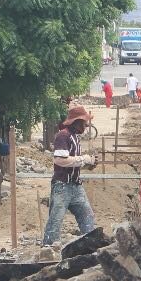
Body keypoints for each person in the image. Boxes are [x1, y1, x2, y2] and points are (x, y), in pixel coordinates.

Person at [42, 105, 98, 246]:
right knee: (56, 220)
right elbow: (60, 160)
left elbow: (72, 163)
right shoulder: (63, 135)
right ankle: (48, 249)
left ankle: (90, 247)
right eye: (84, 122)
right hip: (62, 186)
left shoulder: (75, 138)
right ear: (77, 122)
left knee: (87, 217)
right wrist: (83, 159)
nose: (86, 125)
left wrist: (88, 164)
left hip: (75, 185)